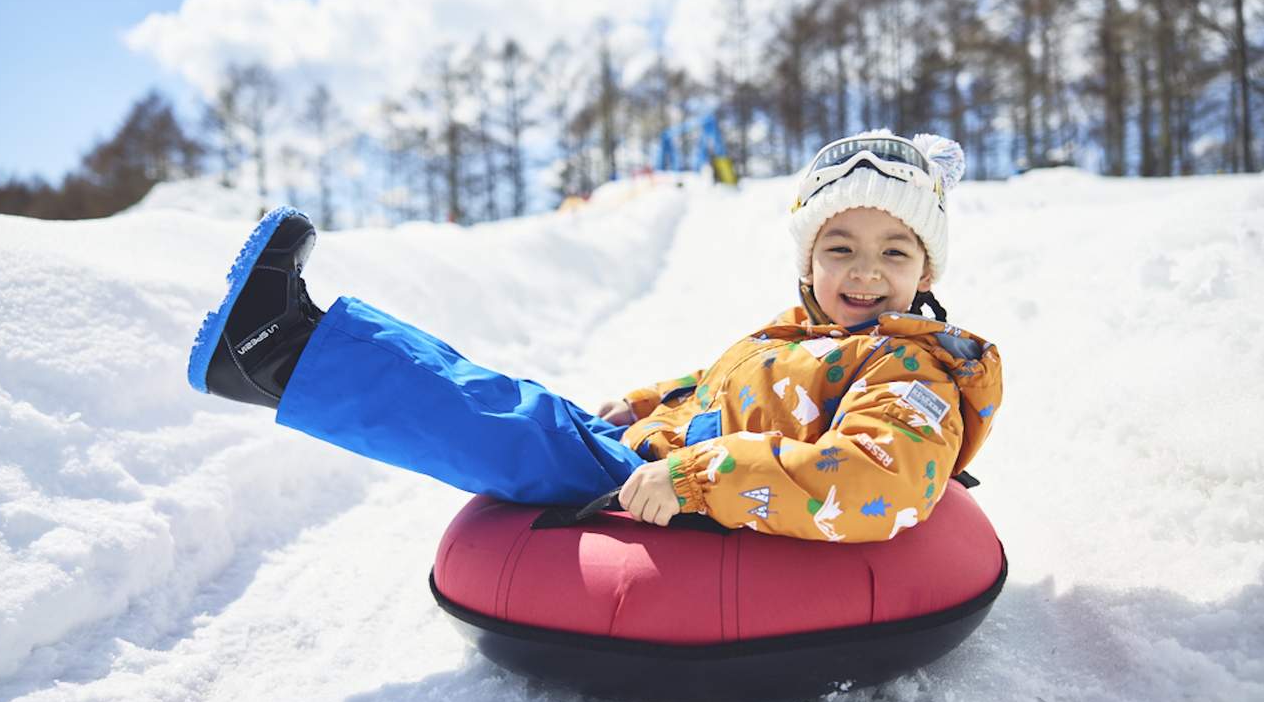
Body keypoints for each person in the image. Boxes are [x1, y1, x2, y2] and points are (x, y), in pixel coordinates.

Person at [188, 130, 1002, 542]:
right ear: (807, 260)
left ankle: (281, 356)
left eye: (893, 253)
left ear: (923, 275)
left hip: (703, 501)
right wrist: (651, 401)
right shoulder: (802, 333)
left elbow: (876, 480)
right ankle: (304, 342)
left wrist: (699, 474)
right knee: (522, 406)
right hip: (670, 463)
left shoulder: (910, 368)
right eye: (839, 249)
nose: (864, 273)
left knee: (517, 433)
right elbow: (722, 385)